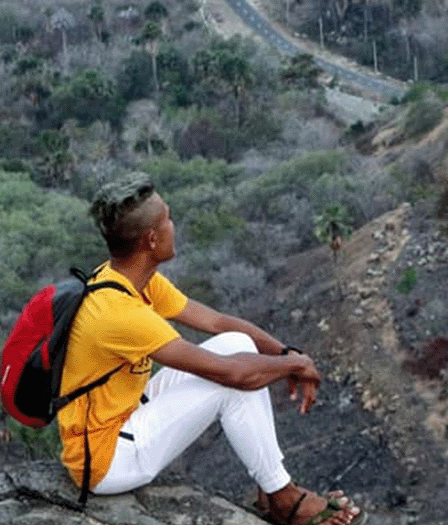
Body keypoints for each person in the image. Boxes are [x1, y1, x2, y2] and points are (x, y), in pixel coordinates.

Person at [58, 171, 363, 525]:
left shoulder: (126, 281)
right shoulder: (120, 312)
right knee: (231, 381)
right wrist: (297, 367)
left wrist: (288, 354)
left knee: (237, 344)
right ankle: (283, 498)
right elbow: (231, 373)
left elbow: (218, 323)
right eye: (168, 219)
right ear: (152, 240)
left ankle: (272, 489)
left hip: (122, 416)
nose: (174, 226)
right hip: (106, 460)